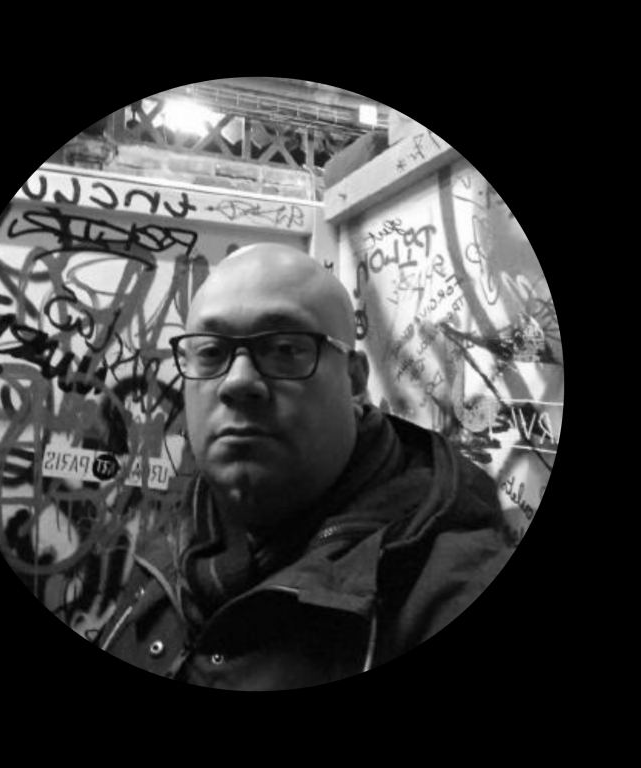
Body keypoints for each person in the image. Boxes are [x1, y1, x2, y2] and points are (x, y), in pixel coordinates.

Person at [96, 243, 514, 689]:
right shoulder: (175, 548)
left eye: (285, 348)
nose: (238, 381)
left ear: (354, 380)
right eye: (212, 352)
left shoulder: (453, 593)